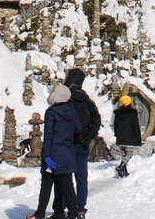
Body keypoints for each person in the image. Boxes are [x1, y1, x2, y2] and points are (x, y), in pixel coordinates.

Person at [50, 68, 101, 219]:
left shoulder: (64, 100)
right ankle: (80, 207)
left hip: (66, 144)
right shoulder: (88, 102)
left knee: (64, 177)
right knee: (81, 177)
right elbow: (96, 122)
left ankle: (61, 207)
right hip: (82, 144)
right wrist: (87, 137)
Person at [26, 84, 82, 219]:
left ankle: (40, 214)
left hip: (53, 152)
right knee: (68, 186)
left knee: (46, 186)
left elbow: (49, 135)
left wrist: (46, 155)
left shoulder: (51, 112)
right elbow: (78, 128)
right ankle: (74, 213)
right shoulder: (71, 109)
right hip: (67, 153)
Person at [113, 95, 142, 177]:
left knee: (123, 153)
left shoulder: (118, 113)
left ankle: (124, 172)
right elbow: (135, 126)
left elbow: (115, 125)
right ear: (129, 103)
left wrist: (117, 134)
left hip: (120, 137)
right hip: (129, 137)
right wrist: (138, 137)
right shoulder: (132, 113)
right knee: (129, 153)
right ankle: (121, 166)